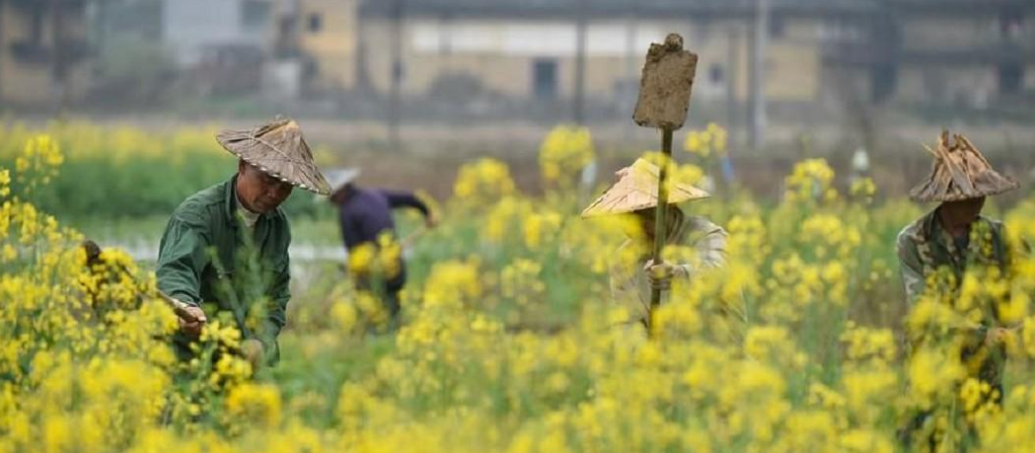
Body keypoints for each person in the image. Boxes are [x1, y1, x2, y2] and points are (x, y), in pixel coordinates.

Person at [156, 119, 330, 368]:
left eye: (285, 187)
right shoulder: (199, 214)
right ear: (243, 166)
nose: (274, 193)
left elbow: (276, 295)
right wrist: (186, 306)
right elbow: (176, 271)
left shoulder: (278, 225)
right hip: (191, 355)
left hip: (244, 359)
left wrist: (260, 341)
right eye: (268, 180)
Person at [896, 131, 1021, 444]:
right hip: (933, 365)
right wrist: (984, 335)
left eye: (982, 194)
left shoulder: (1000, 237)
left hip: (984, 372)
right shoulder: (913, 241)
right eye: (970, 197)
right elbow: (925, 311)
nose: (979, 202)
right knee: (921, 442)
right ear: (949, 200)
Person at [581, 158, 728, 329]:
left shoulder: (705, 235)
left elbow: (718, 273)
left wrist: (678, 275)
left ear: (670, 208)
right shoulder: (623, 260)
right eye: (628, 223)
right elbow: (628, 324)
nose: (637, 230)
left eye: (646, 219)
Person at [326, 168, 436, 321]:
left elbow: (353, 249)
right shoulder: (376, 195)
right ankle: (392, 330)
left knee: (372, 312)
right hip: (396, 266)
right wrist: (427, 213)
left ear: (340, 192)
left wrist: (352, 273)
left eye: (330, 197)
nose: (330, 202)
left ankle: (375, 334)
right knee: (393, 308)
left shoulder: (347, 212)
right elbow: (409, 198)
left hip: (376, 271)